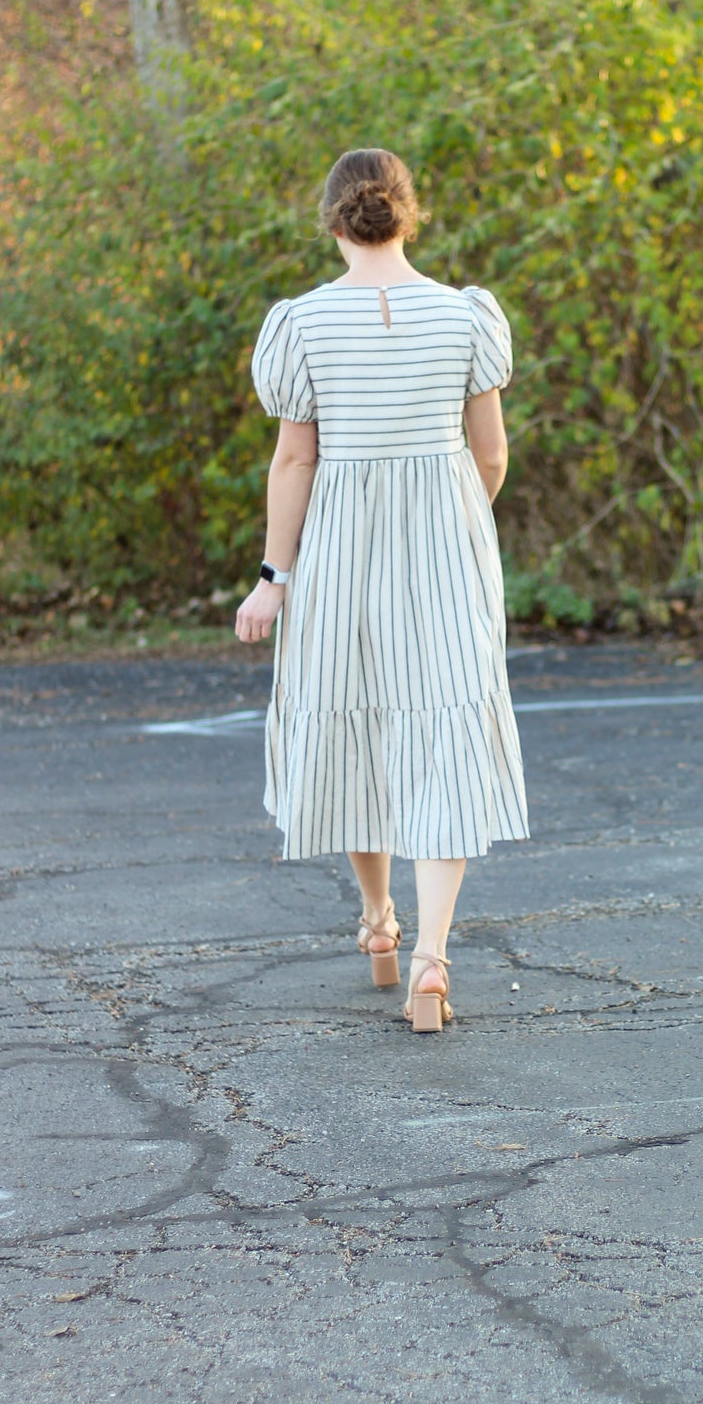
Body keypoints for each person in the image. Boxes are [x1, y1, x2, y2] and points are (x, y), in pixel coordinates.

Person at [235, 147, 529, 1032]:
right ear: (410, 215)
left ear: (332, 220)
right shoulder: (465, 317)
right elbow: (490, 454)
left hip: (339, 556)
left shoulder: (303, 325)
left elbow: (296, 459)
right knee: (441, 736)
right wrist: (452, 526)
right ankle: (432, 960)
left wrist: (271, 579)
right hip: (447, 555)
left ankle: (375, 924)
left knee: (356, 728)